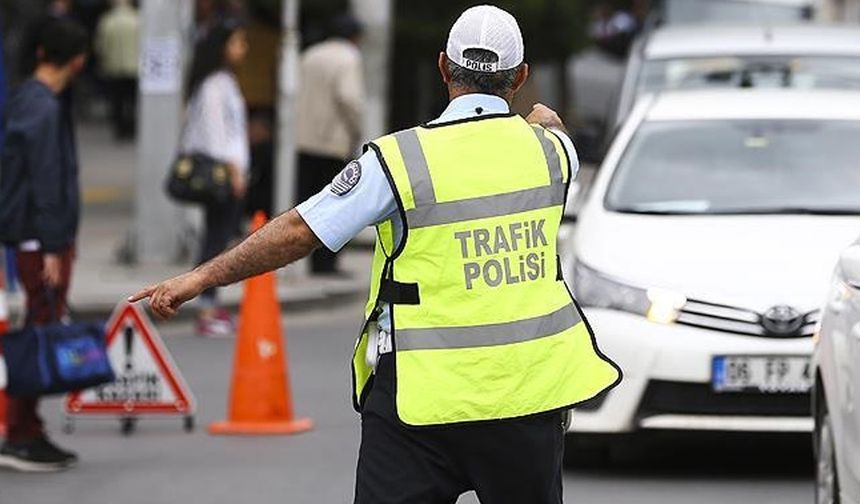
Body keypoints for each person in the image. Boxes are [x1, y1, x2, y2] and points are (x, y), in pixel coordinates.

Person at [131, 5, 621, 502]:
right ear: (520, 77)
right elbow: (554, 129)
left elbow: (300, 230)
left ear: (442, 67)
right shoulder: (554, 153)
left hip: (419, 401)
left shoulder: (398, 161)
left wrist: (199, 279)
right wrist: (544, 122)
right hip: (527, 398)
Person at [0, 18, 88, 472]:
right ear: (78, 60)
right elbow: (47, 182)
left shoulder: (25, 99)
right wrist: (55, 246)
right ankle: (19, 433)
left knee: (38, 325)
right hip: (41, 241)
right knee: (39, 330)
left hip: (33, 237)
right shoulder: (44, 108)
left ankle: (26, 428)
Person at [180, 20, 249, 338]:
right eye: (237, 42)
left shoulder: (223, 80)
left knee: (218, 236)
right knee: (215, 239)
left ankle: (210, 302)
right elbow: (217, 135)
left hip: (229, 171)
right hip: (221, 173)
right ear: (222, 46)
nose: (243, 49)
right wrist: (234, 171)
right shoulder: (214, 84)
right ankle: (206, 306)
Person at [295, 13, 365, 275]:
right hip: (333, 142)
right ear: (355, 37)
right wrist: (357, 129)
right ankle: (327, 264)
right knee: (335, 204)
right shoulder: (349, 57)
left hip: (304, 139)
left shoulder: (310, 54)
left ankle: (311, 261)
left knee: (309, 202)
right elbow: (349, 97)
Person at [94, 0, 139, 140]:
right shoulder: (138, 19)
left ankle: (120, 129)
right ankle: (132, 127)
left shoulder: (108, 21)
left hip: (115, 66)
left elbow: (101, 45)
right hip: (135, 67)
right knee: (133, 100)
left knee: (117, 100)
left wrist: (103, 61)